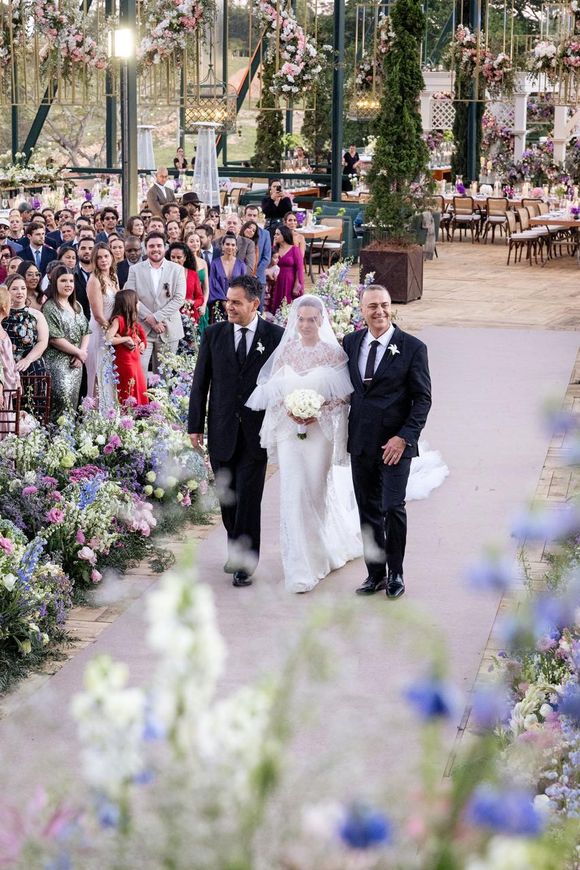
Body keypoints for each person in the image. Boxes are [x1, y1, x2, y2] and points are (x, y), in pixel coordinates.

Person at [247, 295, 362, 592]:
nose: (306, 324)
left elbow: (344, 397)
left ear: (322, 321)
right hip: (289, 432)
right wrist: (289, 409)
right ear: (294, 321)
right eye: (302, 319)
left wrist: (317, 409)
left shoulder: (333, 354)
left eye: (312, 319)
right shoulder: (286, 351)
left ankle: (319, 553)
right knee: (293, 491)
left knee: (315, 490)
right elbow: (271, 390)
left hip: (319, 434)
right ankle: (298, 566)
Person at [188, 274, 285, 586]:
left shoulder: (276, 336)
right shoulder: (213, 334)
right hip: (222, 430)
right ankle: (235, 549)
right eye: (227, 301)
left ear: (254, 304)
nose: (228, 307)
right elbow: (200, 383)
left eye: (236, 302)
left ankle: (246, 561)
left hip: (257, 432)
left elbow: (285, 382)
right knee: (228, 499)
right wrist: (195, 426)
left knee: (249, 499)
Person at [343, 284, 432, 599]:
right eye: (372, 306)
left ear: (391, 306)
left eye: (384, 305)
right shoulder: (351, 342)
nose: (379, 311)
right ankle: (375, 573)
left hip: (396, 444)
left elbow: (423, 399)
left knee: (392, 506)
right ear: (362, 310)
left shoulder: (413, 348)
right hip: (361, 441)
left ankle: (396, 573)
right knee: (367, 509)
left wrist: (404, 437)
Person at [124, 231, 186, 373]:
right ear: (145, 249)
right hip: (142, 329)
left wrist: (157, 317)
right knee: (139, 372)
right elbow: (131, 298)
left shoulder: (177, 269)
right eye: (151, 246)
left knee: (165, 376)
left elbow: (179, 299)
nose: (155, 249)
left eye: (159, 245)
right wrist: (150, 319)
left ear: (165, 247)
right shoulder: (135, 270)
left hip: (168, 328)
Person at [42, 265, 90, 420]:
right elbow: (54, 338)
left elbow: (86, 331)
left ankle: (69, 434)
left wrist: (81, 353)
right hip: (58, 362)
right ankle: (55, 434)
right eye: (63, 281)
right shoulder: (50, 307)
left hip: (76, 362)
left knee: (73, 403)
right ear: (55, 283)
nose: (68, 284)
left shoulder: (77, 306)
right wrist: (79, 352)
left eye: (71, 281)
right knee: (61, 401)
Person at [86, 243, 119, 412]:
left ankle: (112, 413)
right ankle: (98, 417)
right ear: (94, 260)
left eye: (106, 256)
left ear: (111, 257)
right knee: (100, 375)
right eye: (99, 257)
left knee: (111, 376)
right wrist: (114, 333)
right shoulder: (94, 280)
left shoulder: (113, 277)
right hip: (100, 332)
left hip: (112, 332)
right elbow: (98, 315)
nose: (103, 260)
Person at [106, 288, 148, 406]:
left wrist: (142, 344)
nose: (139, 304)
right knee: (129, 386)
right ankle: (129, 411)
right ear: (130, 304)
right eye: (137, 302)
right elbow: (108, 338)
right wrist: (125, 339)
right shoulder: (118, 320)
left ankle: (141, 411)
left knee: (139, 385)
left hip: (135, 360)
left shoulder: (132, 321)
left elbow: (142, 336)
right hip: (125, 361)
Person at [3, 274, 49, 377]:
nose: (20, 292)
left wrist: (28, 359)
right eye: (14, 289)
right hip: (6, 369)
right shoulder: (2, 315)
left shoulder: (37, 315)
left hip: (32, 368)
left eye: (23, 288)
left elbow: (43, 342)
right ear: (7, 291)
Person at [208, 232, 246, 321]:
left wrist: (232, 303)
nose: (230, 247)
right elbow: (213, 283)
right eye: (227, 244)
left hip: (236, 305)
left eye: (233, 245)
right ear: (222, 246)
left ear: (236, 247)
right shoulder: (215, 263)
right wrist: (224, 303)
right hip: (218, 304)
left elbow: (243, 286)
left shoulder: (241, 265)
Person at [266, 225, 304, 314]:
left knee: (288, 303)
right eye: (275, 234)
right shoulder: (274, 249)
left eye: (277, 234)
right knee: (274, 303)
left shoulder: (294, 249)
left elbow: (299, 268)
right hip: (276, 281)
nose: (275, 236)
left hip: (289, 281)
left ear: (284, 235)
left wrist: (297, 284)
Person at [0, 284, 21, 437]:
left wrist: (16, 380)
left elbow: (9, 360)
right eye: (9, 301)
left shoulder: (2, 329)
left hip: (7, 387)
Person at [166, 242, 204, 323]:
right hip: (169, 316)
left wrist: (192, 302)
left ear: (185, 258)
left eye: (179, 257)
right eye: (173, 257)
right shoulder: (164, 274)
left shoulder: (193, 274)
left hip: (188, 317)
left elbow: (200, 298)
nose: (175, 260)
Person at [243, 204, 272, 298]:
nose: (252, 218)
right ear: (244, 216)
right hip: (241, 278)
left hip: (259, 278)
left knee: (258, 305)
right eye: (249, 215)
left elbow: (266, 258)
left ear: (257, 217)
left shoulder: (265, 234)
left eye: (254, 215)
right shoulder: (240, 233)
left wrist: (254, 273)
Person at [184, 232, 210, 330]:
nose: (195, 243)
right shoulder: (183, 262)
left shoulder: (203, 262)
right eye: (191, 241)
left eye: (197, 241)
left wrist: (204, 305)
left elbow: (206, 288)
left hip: (200, 305)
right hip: (186, 303)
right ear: (186, 243)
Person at [74, 237, 95, 319]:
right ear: (77, 251)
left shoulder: (104, 274)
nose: (87, 251)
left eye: (90, 248)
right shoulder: (70, 274)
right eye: (83, 248)